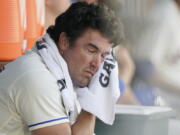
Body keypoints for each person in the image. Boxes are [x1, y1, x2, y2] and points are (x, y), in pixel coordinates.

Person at [0, 2, 124, 135]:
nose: (98, 65)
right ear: (64, 41)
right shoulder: (37, 76)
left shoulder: (65, 75)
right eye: (91, 50)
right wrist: (93, 103)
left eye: (104, 56)